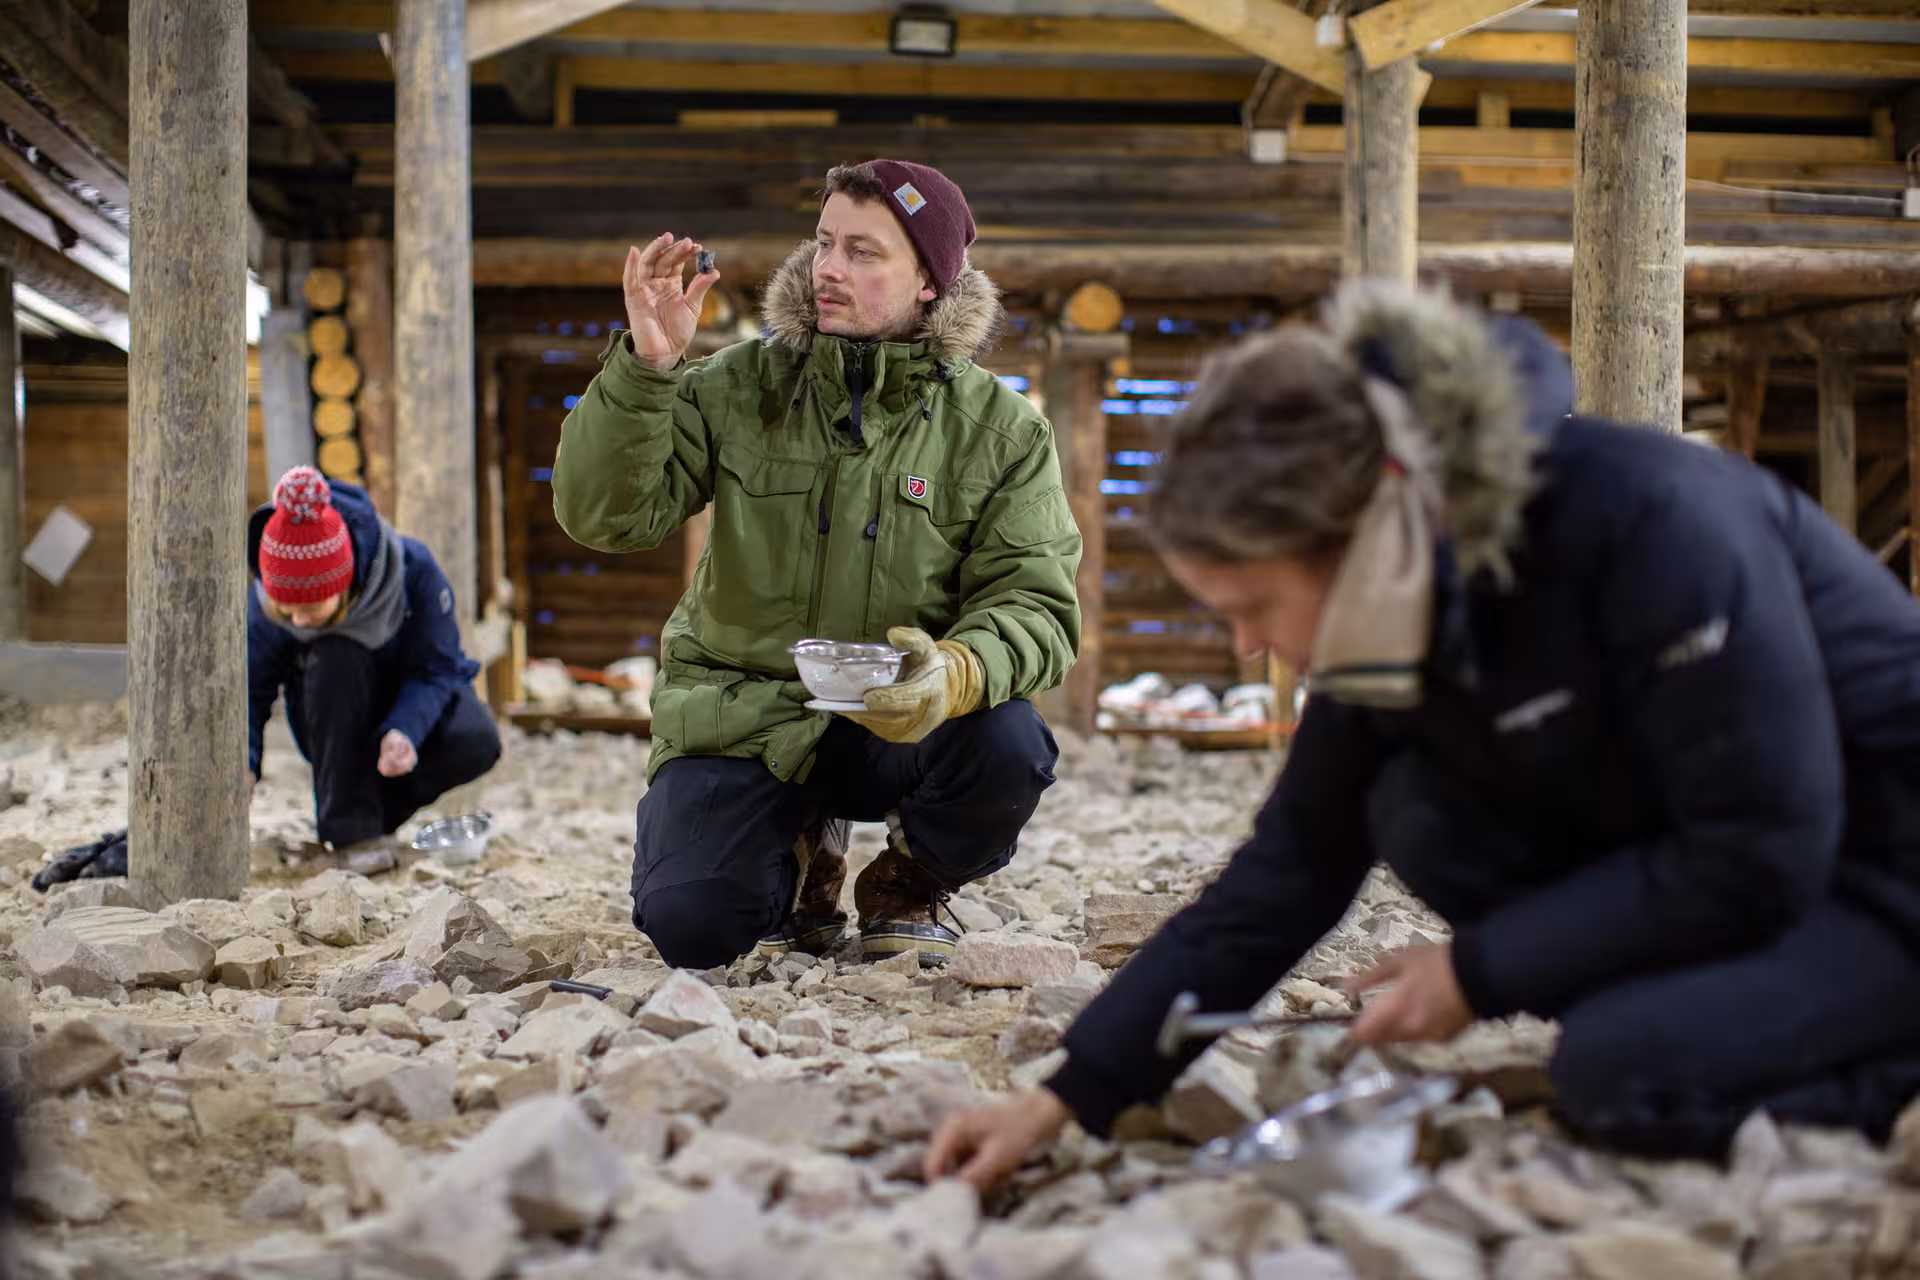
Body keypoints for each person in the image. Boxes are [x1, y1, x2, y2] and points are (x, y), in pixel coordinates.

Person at [927, 280, 1920, 1188]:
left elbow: (1762, 843)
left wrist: (1481, 970)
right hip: (1744, 864)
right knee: (1422, 812)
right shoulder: (1392, 601)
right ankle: (1724, 1011)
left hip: (1878, 869)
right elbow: (1282, 874)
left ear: (1357, 532)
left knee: (1620, 1075)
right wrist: (1067, 1092)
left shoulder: (1655, 520)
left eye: (1258, 602)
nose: (1247, 646)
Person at [552, 159, 1080, 970]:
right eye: (825, 241)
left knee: (1008, 742)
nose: (827, 267)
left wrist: (956, 673)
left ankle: (911, 880)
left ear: (931, 284)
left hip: (899, 718)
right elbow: (605, 519)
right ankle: (802, 862)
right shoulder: (734, 386)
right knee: (694, 928)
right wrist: (646, 372)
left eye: (864, 252)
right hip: (745, 714)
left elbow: (1037, 605)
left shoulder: (1002, 432)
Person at [248, 466, 501, 864]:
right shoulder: (268, 594)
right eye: (286, 610)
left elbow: (439, 667)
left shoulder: (413, 569)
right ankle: (352, 835)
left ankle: (371, 818)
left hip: (401, 700)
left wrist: (406, 727)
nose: (297, 621)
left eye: (310, 608)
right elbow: (251, 686)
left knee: (477, 738)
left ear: (344, 581)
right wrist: (245, 764)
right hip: (329, 713)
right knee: (336, 653)